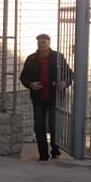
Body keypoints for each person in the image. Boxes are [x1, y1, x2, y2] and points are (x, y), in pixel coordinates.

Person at [19, 33, 74, 161]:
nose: (41, 45)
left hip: (55, 98)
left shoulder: (57, 57)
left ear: (49, 43)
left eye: (43, 42)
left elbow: (69, 74)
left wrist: (64, 83)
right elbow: (23, 77)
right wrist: (31, 84)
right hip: (38, 98)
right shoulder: (31, 59)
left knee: (54, 126)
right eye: (39, 42)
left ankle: (55, 151)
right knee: (39, 127)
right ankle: (43, 155)